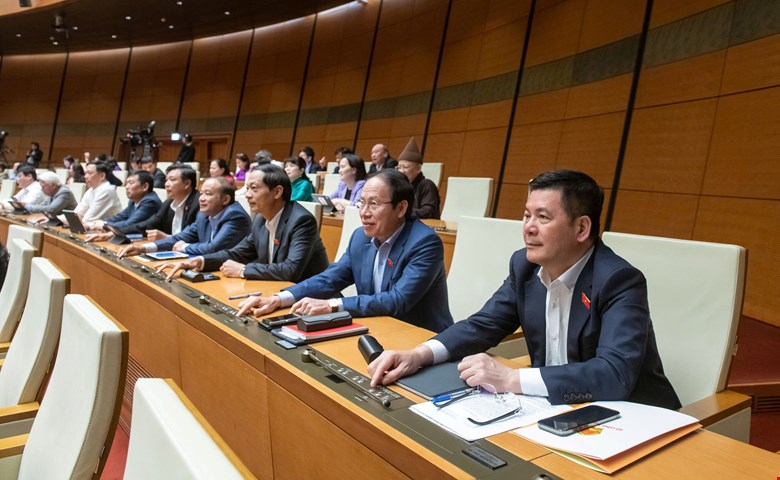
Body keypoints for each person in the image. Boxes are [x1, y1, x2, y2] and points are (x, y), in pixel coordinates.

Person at [368, 170, 681, 410]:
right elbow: (483, 325)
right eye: (526, 215)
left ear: (582, 228)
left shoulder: (619, 280)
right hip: (553, 408)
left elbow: (614, 375)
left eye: (543, 217)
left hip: (631, 418)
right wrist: (419, 354)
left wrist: (511, 379)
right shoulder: (525, 266)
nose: (528, 227)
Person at [237, 169, 453, 333]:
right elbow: (330, 278)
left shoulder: (424, 242)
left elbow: (397, 301)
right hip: (376, 329)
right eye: (361, 203)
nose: (364, 213)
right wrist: (280, 298)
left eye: (374, 204)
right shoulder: (360, 237)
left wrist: (332, 305)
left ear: (401, 208)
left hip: (420, 336)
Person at [158, 164, 329, 283]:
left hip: (309, 298)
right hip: (275, 290)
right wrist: (198, 261)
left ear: (277, 192)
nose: (247, 195)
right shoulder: (261, 219)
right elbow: (237, 253)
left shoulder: (301, 221)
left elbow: (291, 269)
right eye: (247, 188)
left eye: (254, 189)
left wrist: (243, 270)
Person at [119, 177, 250, 257]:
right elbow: (180, 237)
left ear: (225, 199)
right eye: (202, 193)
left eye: (208, 194)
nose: (202, 198)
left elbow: (213, 248)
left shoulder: (235, 216)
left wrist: (184, 247)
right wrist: (143, 248)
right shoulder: (203, 215)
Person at [131, 165, 200, 241]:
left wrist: (167, 238)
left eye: (172, 180)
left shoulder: (199, 204)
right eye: (166, 180)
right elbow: (148, 225)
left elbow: (197, 236)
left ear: (187, 184)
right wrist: (119, 230)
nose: (166, 184)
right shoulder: (168, 204)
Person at [84, 170, 162, 237]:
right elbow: (119, 217)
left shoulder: (150, 202)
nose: (127, 187)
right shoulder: (133, 201)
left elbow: (129, 224)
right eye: (126, 183)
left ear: (145, 186)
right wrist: (102, 223)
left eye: (131, 183)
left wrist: (104, 226)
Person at [395, 137, 440, 219]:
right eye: (399, 167)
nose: (401, 171)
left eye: (405, 167)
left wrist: (403, 211)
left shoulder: (427, 185)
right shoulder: (400, 187)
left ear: (418, 168)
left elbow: (429, 212)